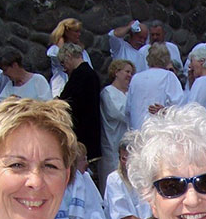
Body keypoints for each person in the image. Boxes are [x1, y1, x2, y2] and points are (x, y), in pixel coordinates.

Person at [58, 43, 102, 161]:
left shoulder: (80, 76)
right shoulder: (90, 74)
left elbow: (69, 102)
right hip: (89, 133)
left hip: (82, 134)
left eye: (63, 62)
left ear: (69, 56)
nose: (64, 68)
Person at [127, 43, 184, 132]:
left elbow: (128, 108)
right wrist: (164, 111)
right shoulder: (169, 77)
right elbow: (179, 107)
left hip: (136, 130)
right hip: (157, 131)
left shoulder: (135, 78)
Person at [104, 134, 152, 219]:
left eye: (130, 159)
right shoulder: (114, 179)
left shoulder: (148, 175)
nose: (126, 163)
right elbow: (122, 215)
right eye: (123, 158)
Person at [100, 59, 135, 194]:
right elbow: (117, 113)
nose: (129, 75)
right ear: (116, 72)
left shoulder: (129, 93)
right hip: (112, 141)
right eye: (127, 71)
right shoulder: (108, 92)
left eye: (131, 73)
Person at [47, 18, 93, 96]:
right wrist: (61, 41)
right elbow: (57, 56)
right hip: (61, 88)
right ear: (67, 32)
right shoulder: (54, 49)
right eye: (76, 31)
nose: (79, 34)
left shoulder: (82, 52)